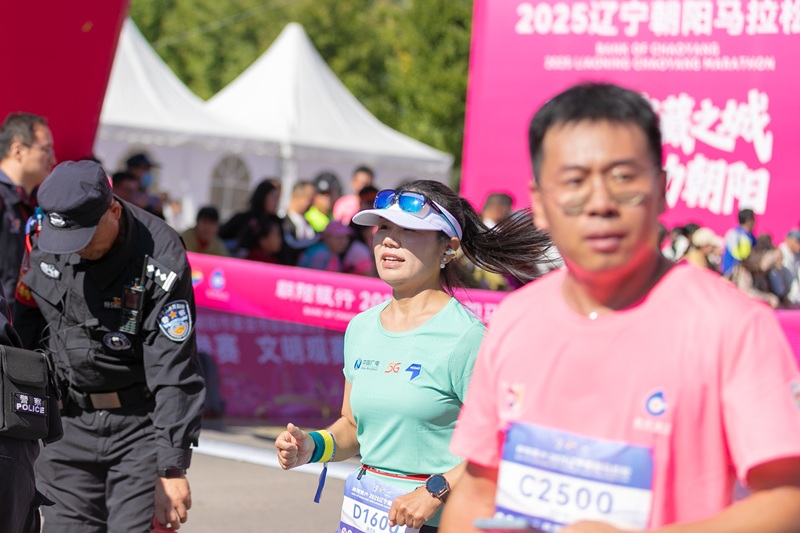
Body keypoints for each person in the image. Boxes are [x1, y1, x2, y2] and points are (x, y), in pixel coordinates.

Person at [440, 82, 800, 533]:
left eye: (624, 179)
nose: (600, 204)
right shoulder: (516, 318)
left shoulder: (736, 326)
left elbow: (788, 501)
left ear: (662, 190)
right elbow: (478, 489)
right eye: (574, 182)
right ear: (541, 204)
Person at [275, 179, 551, 532]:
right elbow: (354, 427)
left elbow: (505, 439)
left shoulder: (467, 338)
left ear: (448, 248)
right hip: (364, 520)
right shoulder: (361, 327)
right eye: (384, 227)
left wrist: (437, 491)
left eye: (409, 230)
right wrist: (311, 446)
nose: (390, 240)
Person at [15, 160, 205, 531]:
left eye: (84, 237)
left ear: (113, 212)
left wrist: (172, 467)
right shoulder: (41, 239)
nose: (74, 249)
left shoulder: (160, 253)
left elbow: (174, 366)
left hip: (139, 427)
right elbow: (24, 329)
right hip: (65, 424)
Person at [0, 112, 56, 311]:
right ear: (18, 151)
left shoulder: (37, 203)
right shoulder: (3, 197)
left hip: (22, 320)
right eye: (46, 149)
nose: (53, 159)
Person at [218, 178, 281, 252]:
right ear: (262, 197)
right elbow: (219, 237)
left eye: (277, 199)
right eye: (273, 198)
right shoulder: (241, 219)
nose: (276, 203)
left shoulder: (278, 223)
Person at [298, 220, 376, 276]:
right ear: (327, 237)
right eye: (339, 238)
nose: (344, 242)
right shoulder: (321, 254)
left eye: (346, 237)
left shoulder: (333, 253)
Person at [280, 180, 318, 265]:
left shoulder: (307, 223)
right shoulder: (283, 221)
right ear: (297, 196)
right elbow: (290, 246)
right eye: (309, 198)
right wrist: (317, 241)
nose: (312, 203)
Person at [126, 152, 165, 219]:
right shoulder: (124, 194)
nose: (148, 173)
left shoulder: (149, 197)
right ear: (133, 170)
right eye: (145, 169)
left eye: (149, 169)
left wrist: (158, 212)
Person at [721, 208, 757, 276]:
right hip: (732, 273)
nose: (755, 222)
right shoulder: (737, 235)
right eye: (754, 219)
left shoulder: (748, 235)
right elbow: (741, 257)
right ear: (748, 220)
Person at [779, 229, 800, 306]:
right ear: (788, 240)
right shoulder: (781, 253)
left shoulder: (797, 254)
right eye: (797, 241)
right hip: (784, 296)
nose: (799, 245)